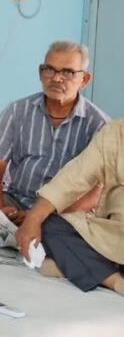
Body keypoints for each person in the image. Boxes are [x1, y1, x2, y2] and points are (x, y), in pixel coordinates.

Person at [0, 40, 108, 225]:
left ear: (84, 80)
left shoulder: (99, 125)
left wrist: (37, 216)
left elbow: (97, 192)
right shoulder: (17, 111)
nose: (56, 78)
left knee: (59, 237)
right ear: (40, 73)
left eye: (67, 72)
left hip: (65, 212)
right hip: (15, 201)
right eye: (49, 70)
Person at [17, 120, 124, 297]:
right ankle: (115, 281)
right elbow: (74, 177)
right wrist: (33, 217)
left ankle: (80, 268)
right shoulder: (115, 132)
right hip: (113, 235)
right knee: (48, 222)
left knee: (59, 249)